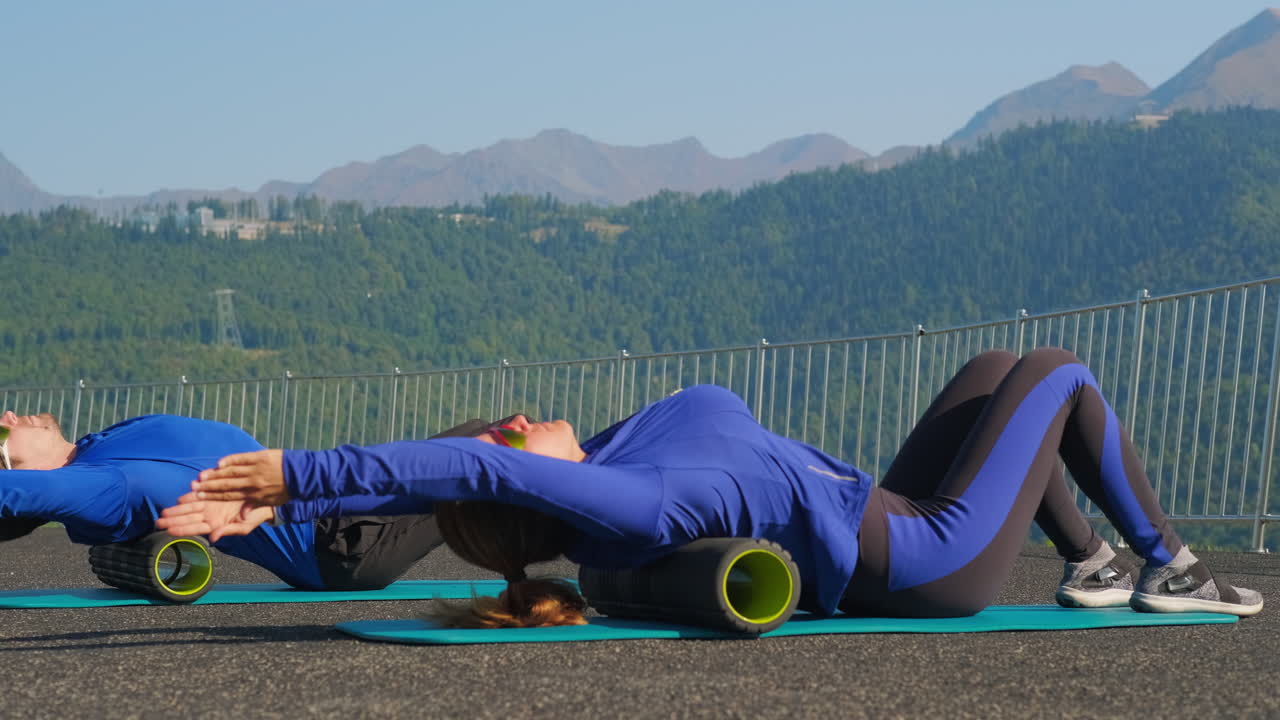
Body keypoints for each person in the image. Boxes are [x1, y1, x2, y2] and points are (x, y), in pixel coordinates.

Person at [161, 348, 1264, 626]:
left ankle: (1092, 561)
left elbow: (459, 476)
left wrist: (293, 505)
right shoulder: (627, 507)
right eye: (509, 441)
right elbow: (466, 468)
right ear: (533, 490)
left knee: (990, 379)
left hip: (881, 508)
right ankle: (1168, 568)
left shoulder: (607, 455)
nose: (508, 421)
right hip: (926, 561)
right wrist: (299, 473)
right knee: (1059, 377)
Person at [0, 410, 501, 590]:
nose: (8, 414)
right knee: (499, 446)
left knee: (496, 439)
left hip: (339, 504)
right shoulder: (94, 486)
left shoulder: (102, 443)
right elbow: (26, 495)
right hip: (343, 543)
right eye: (2, 433)